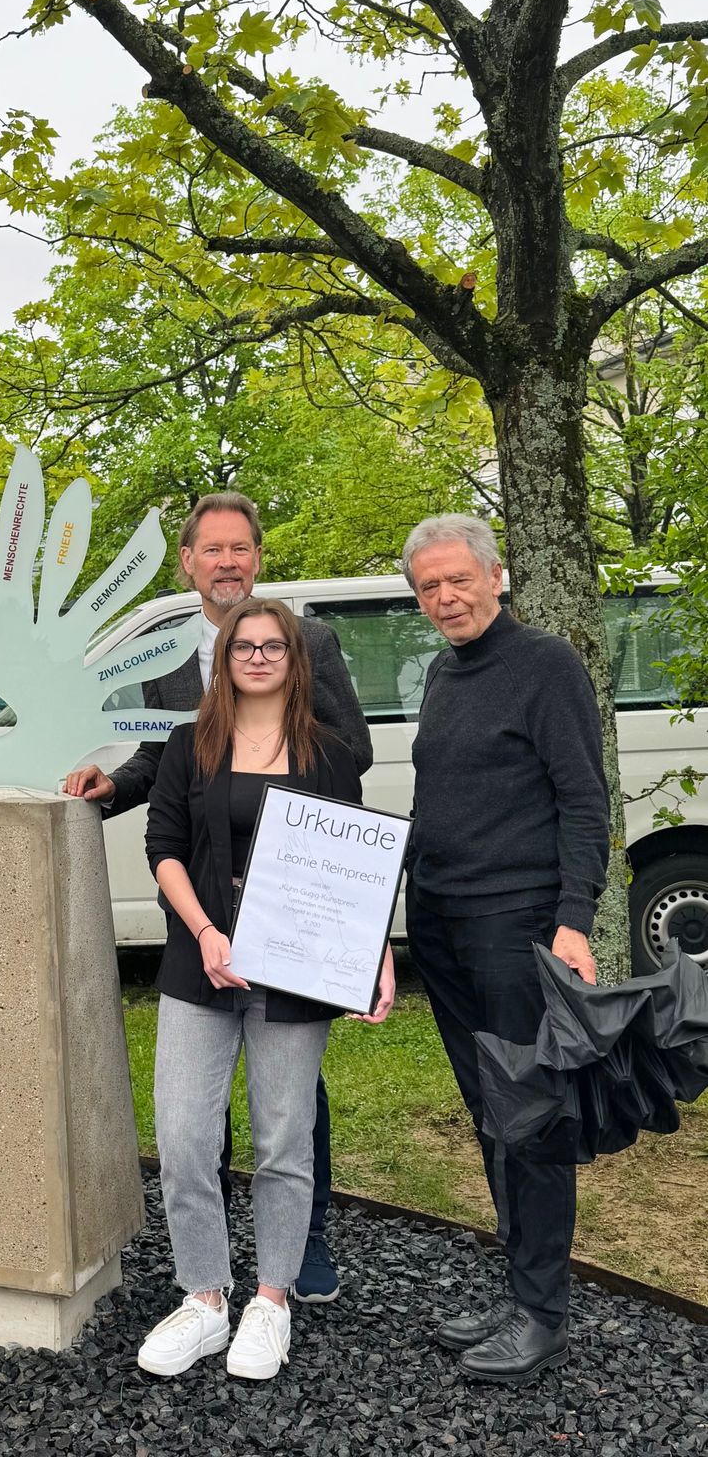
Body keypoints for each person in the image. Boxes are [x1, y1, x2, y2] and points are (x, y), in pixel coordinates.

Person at [66, 491, 371, 1303]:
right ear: (188, 563)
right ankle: (213, 1261)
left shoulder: (309, 640)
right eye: (213, 550)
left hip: (291, 909)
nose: (227, 562)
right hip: (205, 908)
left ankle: (301, 1247)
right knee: (194, 1114)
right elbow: (161, 763)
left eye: (241, 548)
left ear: (257, 558)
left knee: (291, 1103)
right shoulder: (168, 655)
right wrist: (111, 785)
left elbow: (350, 750)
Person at [138, 599, 395, 1380]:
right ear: (223, 660)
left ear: (294, 658)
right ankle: (204, 1299)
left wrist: (376, 953)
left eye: (272, 646)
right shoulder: (189, 745)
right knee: (185, 1136)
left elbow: (354, 869)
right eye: (242, 646)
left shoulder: (329, 754)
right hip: (202, 960)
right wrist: (205, 932)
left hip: (297, 965)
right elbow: (164, 846)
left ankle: (272, 1300)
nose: (256, 657)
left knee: (284, 1139)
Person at [402, 515, 608, 1382]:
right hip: (443, 927)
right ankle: (519, 1290)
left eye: (460, 579)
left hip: (515, 929)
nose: (446, 597)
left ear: (496, 575)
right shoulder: (443, 674)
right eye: (430, 587)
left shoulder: (547, 665)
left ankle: (543, 1314)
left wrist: (574, 918)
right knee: (491, 1114)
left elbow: (583, 800)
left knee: (530, 1119)